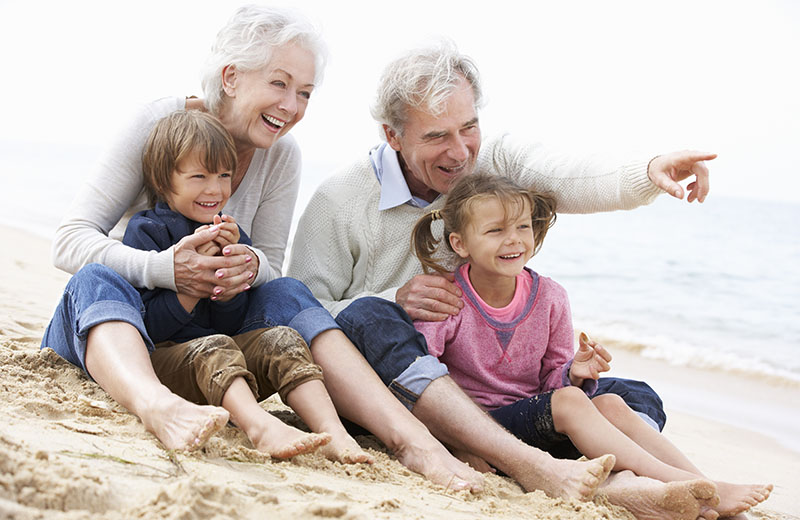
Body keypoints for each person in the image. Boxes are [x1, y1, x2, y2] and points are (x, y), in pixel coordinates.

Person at [42, 5, 608, 497]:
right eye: (280, 84)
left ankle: (413, 444)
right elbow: (70, 240)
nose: (291, 106)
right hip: (118, 341)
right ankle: (156, 407)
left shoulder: (280, 155)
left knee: (286, 291)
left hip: (209, 339)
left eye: (305, 92)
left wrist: (248, 265)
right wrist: (166, 268)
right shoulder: (158, 122)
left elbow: (270, 264)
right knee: (94, 280)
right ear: (232, 76)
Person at [286, 40, 731, 516]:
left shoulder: (493, 164)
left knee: (632, 397)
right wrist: (394, 299)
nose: (461, 153)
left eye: (469, 127)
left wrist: (646, 172)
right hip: (402, 388)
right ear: (393, 135)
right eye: (437, 136)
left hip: (498, 399)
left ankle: (616, 477)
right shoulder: (339, 199)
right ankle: (537, 462)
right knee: (372, 315)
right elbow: (302, 313)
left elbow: (566, 175)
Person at [410, 172, 772, 518]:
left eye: (523, 226)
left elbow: (552, 385)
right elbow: (427, 384)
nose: (514, 239)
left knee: (610, 402)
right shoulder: (444, 298)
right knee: (572, 401)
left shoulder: (550, 297)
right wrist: (459, 443)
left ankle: (703, 488)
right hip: (480, 429)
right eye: (495, 230)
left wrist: (574, 373)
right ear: (460, 243)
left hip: (534, 425)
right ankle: (694, 485)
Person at [113, 109, 372, 461]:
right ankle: (258, 426)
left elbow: (230, 322)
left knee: (283, 338)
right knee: (214, 345)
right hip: (169, 365)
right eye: (199, 176)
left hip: (228, 372)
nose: (215, 188)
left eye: (224, 175)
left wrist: (230, 290)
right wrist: (190, 289)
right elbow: (147, 327)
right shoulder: (147, 232)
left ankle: (334, 434)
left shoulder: (230, 234)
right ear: (163, 181)